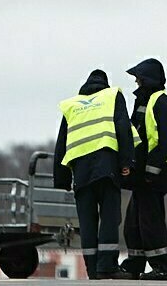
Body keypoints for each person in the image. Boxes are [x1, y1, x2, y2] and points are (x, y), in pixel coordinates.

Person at [54, 69, 136, 280]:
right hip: (106, 169)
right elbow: (123, 128)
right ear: (104, 85)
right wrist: (127, 162)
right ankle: (106, 267)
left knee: (88, 222)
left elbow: (61, 142)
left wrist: (61, 178)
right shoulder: (111, 96)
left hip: (80, 174)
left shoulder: (73, 105)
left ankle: (92, 269)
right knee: (109, 218)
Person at [119, 58, 167, 280]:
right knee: (134, 223)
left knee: (151, 222)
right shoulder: (145, 101)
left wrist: (150, 171)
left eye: (139, 78)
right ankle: (135, 263)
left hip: (156, 175)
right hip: (143, 175)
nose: (136, 82)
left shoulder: (161, 102)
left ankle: (161, 268)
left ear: (147, 79)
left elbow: (163, 141)